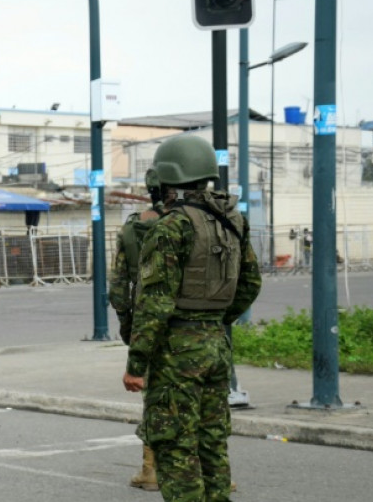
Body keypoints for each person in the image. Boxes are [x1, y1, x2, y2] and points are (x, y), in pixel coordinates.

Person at [122, 135, 262, 501]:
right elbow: (250, 283)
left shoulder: (171, 226)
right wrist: (214, 321)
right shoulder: (232, 220)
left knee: (175, 446)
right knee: (212, 441)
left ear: (166, 178)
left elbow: (155, 302)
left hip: (176, 353)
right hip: (216, 345)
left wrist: (136, 363)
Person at [109, 168, 171, 491]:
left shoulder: (133, 228)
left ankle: (150, 467)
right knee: (200, 394)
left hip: (146, 322)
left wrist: (128, 330)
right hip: (192, 324)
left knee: (153, 394)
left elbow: (118, 288)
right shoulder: (194, 223)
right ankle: (210, 467)